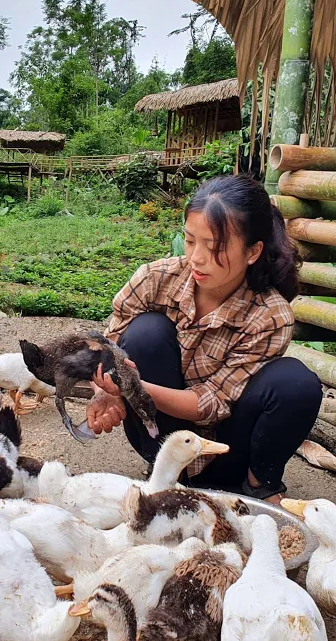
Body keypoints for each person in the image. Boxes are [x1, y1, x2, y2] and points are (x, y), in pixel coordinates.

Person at [87, 175, 321, 501]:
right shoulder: (155, 279)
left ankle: (259, 485)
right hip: (160, 438)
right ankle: (169, 476)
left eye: (215, 247)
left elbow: (211, 404)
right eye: (190, 240)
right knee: (146, 332)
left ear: (252, 252)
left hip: (228, 452)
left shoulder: (270, 315)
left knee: (296, 383)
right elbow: (105, 346)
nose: (197, 257)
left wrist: (133, 385)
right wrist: (106, 388)